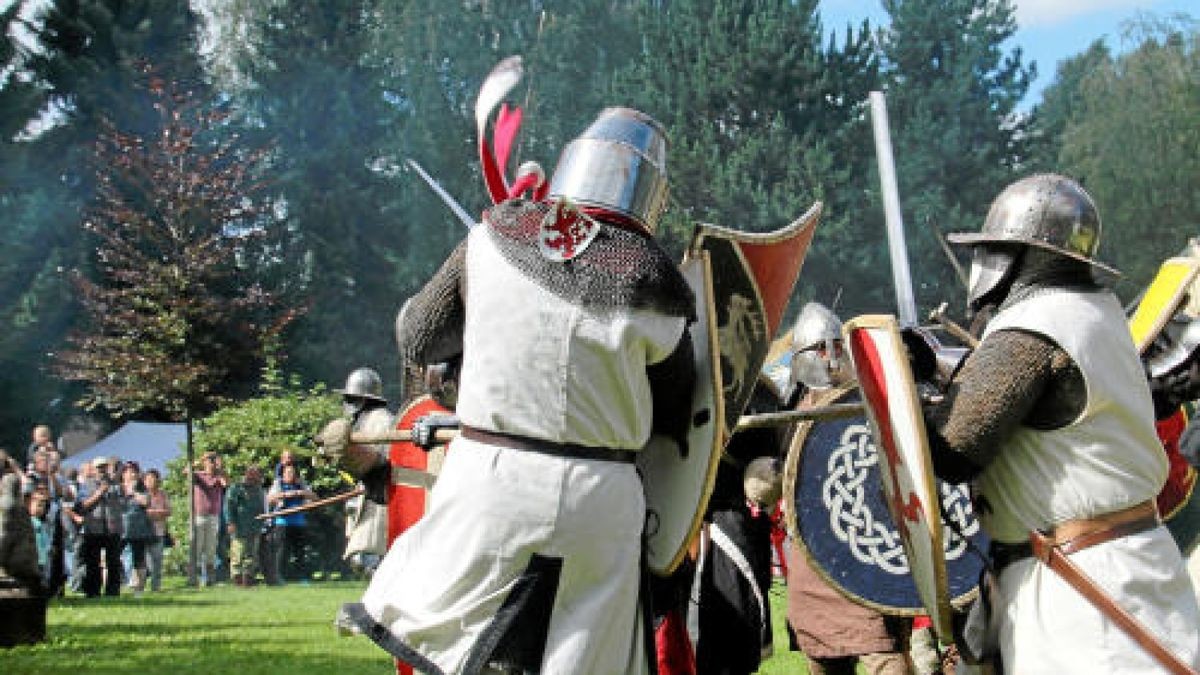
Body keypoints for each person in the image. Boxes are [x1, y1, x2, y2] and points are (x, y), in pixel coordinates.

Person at [342, 106, 695, 673]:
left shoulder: (488, 240)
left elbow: (419, 339)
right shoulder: (657, 283)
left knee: (474, 652)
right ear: (653, 193)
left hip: (491, 484)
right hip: (600, 503)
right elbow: (679, 410)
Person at [921, 174, 1200, 672]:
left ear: (1026, 256)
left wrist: (913, 401)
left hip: (1078, 590)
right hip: (1126, 562)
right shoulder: (1098, 312)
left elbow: (954, 448)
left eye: (996, 253)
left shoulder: (1033, 326)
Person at [782, 303, 913, 675]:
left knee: (887, 660)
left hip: (863, 556)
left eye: (837, 346)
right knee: (824, 661)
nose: (831, 356)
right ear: (804, 356)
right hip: (816, 564)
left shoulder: (869, 404)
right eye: (822, 348)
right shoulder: (790, 413)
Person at [690, 380, 782, 675]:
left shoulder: (758, 391)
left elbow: (768, 464)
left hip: (731, 525)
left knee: (728, 643)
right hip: (688, 520)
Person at [338, 367, 393, 577]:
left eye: (352, 399)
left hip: (379, 497)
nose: (348, 404)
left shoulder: (381, 420)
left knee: (371, 556)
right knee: (363, 557)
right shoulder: (364, 421)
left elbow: (382, 457)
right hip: (367, 493)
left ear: (363, 400)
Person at [75, 456, 124, 597]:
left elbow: (124, 502)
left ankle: (113, 591)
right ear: (94, 469)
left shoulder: (115, 484)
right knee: (92, 562)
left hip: (113, 528)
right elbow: (80, 506)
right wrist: (98, 494)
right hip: (93, 528)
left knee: (113, 562)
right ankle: (92, 591)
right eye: (99, 468)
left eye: (104, 467)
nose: (102, 470)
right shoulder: (86, 485)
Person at [268, 463, 314, 583]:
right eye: (288, 473)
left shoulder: (300, 484)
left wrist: (302, 493)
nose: (290, 475)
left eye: (292, 472)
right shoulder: (278, 484)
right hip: (282, 522)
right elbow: (270, 498)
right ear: (283, 474)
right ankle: (279, 577)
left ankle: (302, 577)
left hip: (299, 522)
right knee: (282, 551)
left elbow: (315, 497)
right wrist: (285, 494)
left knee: (300, 551)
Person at [224, 464, 266, 586]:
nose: (259, 478)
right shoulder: (236, 488)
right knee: (238, 554)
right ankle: (237, 580)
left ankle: (248, 580)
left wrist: (262, 520)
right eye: (257, 475)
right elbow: (229, 506)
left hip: (255, 526)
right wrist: (230, 522)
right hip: (239, 526)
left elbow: (261, 506)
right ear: (250, 475)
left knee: (251, 555)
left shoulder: (258, 488)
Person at [118, 462, 154, 596]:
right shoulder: (117, 488)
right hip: (120, 528)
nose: (132, 474)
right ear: (122, 474)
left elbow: (146, 502)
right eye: (128, 472)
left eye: (134, 472)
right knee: (113, 556)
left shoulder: (142, 489)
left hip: (138, 528)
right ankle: (117, 585)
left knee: (139, 558)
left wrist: (133, 492)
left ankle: (139, 589)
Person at [192, 451, 227, 586]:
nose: (210, 463)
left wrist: (220, 469)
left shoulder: (218, 476)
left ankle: (209, 579)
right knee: (197, 547)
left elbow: (225, 483)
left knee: (211, 549)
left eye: (212, 461)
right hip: (199, 515)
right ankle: (194, 578)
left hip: (213, 516)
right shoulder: (198, 475)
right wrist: (199, 461)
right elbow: (185, 472)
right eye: (208, 461)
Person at [143, 469, 171, 592]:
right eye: (148, 479)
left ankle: (156, 587)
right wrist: (158, 513)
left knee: (157, 562)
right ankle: (140, 587)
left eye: (153, 479)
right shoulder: (142, 495)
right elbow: (142, 513)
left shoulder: (163, 494)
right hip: (143, 533)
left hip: (159, 532)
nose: (151, 482)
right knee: (145, 563)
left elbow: (169, 511)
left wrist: (153, 513)